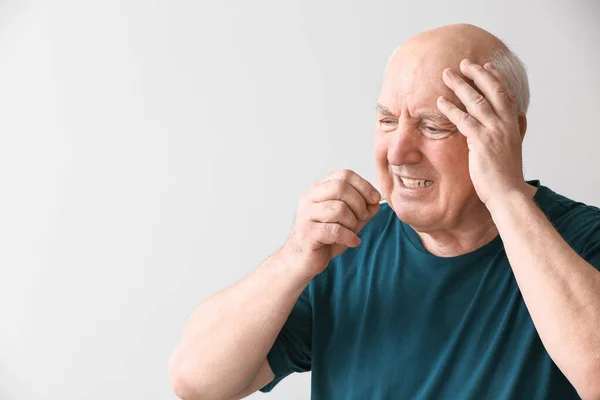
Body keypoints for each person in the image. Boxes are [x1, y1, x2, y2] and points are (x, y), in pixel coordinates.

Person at [168, 23, 600, 399]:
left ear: (507, 132)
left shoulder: (582, 241)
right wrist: (294, 258)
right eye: (388, 120)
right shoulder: (347, 245)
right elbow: (195, 382)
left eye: (433, 126)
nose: (398, 152)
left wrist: (505, 195)